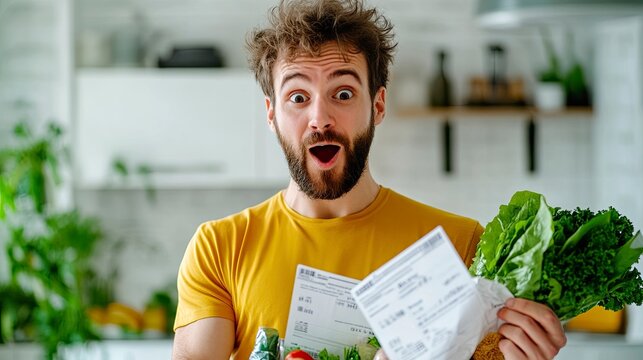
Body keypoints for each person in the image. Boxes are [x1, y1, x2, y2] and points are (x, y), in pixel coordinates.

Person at [172, 1, 567, 359]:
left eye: (343, 93)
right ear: (271, 114)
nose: (320, 118)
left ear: (377, 105)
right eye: (297, 97)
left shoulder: (462, 247)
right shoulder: (220, 249)